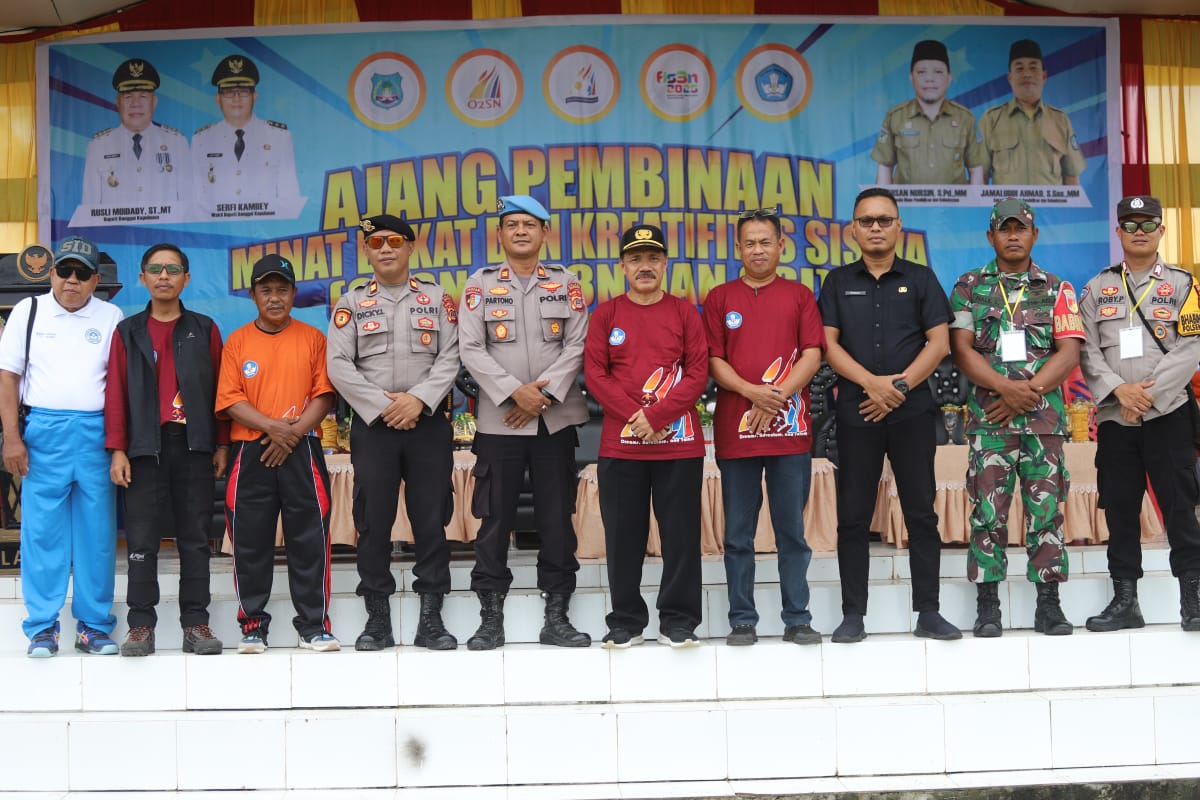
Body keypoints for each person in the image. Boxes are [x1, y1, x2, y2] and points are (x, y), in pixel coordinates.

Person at [818, 187, 961, 643]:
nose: (875, 227)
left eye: (884, 220)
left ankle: (929, 612)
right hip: (856, 411)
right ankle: (853, 615)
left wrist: (897, 388)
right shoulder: (837, 281)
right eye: (867, 221)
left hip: (911, 411)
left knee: (920, 512)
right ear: (853, 230)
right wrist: (873, 384)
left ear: (899, 226)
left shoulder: (921, 278)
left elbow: (939, 343)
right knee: (853, 516)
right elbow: (828, 346)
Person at [458, 195, 591, 650]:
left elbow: (577, 344)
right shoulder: (479, 285)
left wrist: (543, 396)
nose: (520, 231)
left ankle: (557, 617)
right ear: (499, 234)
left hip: (555, 421)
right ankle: (490, 618)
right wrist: (516, 392)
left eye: (529, 224)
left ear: (544, 233)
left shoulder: (566, 283)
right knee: (494, 520)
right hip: (501, 422)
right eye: (511, 224)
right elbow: (470, 348)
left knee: (557, 519)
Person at [949, 197, 1083, 637]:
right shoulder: (969, 286)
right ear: (990, 236)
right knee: (987, 512)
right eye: (1004, 229)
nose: (1012, 236)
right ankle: (988, 607)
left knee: (1046, 513)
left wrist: (1026, 393)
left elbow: (1069, 352)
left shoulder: (1058, 288)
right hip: (991, 421)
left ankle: (1049, 606)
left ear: (1034, 234)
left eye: (1020, 228)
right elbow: (961, 350)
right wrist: (1005, 389)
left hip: (1043, 423)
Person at [326, 214, 460, 651]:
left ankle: (431, 620)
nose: (385, 249)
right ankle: (377, 620)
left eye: (395, 242)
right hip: (375, 427)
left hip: (427, 423)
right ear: (366, 250)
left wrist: (418, 400)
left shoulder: (438, 299)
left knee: (431, 519)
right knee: (373, 521)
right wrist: (385, 406)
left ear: (410, 247)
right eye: (376, 242)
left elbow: (452, 355)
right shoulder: (351, 303)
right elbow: (338, 365)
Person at [702, 207, 824, 647]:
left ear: (781, 246)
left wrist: (777, 397)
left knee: (791, 532)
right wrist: (753, 393)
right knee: (738, 535)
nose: (758, 250)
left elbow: (812, 354)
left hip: (789, 433)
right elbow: (714, 360)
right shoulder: (720, 298)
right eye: (749, 243)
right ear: (738, 248)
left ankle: (798, 618)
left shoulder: (799, 295)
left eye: (765, 242)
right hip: (737, 434)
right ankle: (742, 620)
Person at [1078, 195, 1200, 632]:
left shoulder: (1184, 286)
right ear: (1119, 233)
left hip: (1169, 413)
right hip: (1117, 418)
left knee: (1181, 507)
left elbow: (1191, 346)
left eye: (1148, 224)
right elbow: (1086, 349)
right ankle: (1126, 601)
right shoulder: (1096, 288)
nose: (1139, 232)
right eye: (1130, 225)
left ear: (1162, 230)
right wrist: (1119, 391)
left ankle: (1193, 598)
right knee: (1120, 509)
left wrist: (1149, 396)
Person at [583, 224, 708, 648]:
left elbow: (697, 373)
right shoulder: (606, 315)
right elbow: (595, 375)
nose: (645, 266)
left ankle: (679, 621)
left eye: (653, 258)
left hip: (679, 444)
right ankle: (626, 621)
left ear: (665, 263)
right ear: (622, 266)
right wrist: (636, 418)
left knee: (681, 537)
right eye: (635, 259)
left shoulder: (685, 313)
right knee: (623, 538)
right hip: (621, 446)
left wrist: (657, 416)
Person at [0, 236, 124, 657]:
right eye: (65, 271)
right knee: (42, 532)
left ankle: (93, 626)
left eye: (82, 274)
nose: (72, 280)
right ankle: (42, 627)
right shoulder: (28, 311)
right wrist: (12, 438)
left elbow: (119, 385)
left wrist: (118, 443)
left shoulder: (110, 316)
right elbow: (8, 378)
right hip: (44, 432)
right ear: (51, 273)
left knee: (98, 534)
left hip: (96, 433)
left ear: (95, 281)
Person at [105, 243, 229, 656]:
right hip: (143, 449)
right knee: (142, 540)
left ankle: (196, 623)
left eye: (173, 269)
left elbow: (219, 392)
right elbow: (116, 393)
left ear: (186, 279)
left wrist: (221, 443)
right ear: (142, 277)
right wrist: (117, 449)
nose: (164, 276)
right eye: (155, 269)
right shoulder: (128, 331)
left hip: (193, 446)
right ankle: (141, 625)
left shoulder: (204, 329)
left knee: (195, 539)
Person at [216, 254, 338, 653]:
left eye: (282, 290)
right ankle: (253, 625)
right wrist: (274, 429)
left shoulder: (313, 338)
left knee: (310, 538)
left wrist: (292, 433)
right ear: (253, 295)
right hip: (252, 450)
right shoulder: (237, 341)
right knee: (250, 541)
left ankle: (313, 626)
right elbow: (230, 399)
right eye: (265, 290)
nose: (274, 298)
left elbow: (324, 394)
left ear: (293, 294)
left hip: (302, 448)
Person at [191, 54, 300, 214]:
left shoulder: (279, 137)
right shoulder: (201, 140)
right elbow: (195, 201)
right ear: (218, 99)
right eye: (229, 92)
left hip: (265, 226)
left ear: (254, 97)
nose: (236, 98)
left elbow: (289, 197)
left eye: (243, 91)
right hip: (218, 225)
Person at [871, 40, 985, 185]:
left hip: (955, 201)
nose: (930, 79)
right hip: (904, 201)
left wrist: (974, 200)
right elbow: (884, 168)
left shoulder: (965, 119)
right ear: (911, 77)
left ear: (949, 78)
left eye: (938, 72)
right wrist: (882, 199)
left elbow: (976, 170)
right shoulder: (894, 118)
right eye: (921, 72)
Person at [81, 58, 189, 206]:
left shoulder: (177, 143)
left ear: (154, 101)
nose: (135, 104)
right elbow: (90, 208)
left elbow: (188, 205)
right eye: (128, 97)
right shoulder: (98, 146)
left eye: (143, 96)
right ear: (118, 102)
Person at [979, 39, 1087, 186]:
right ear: (1010, 78)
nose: (1027, 74)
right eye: (1019, 68)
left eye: (1033, 67)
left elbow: (1071, 178)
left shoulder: (1061, 120)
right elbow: (980, 177)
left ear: (1044, 76)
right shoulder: (991, 119)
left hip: (1051, 203)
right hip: (1007, 202)